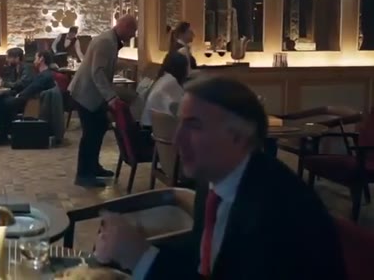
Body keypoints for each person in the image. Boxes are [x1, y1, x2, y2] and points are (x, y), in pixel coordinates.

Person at [94, 76, 346, 280]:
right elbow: (204, 258)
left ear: (238, 135)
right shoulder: (215, 181)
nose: (177, 139)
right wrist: (134, 246)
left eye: (194, 125)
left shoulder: (277, 211)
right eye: (180, 123)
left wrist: (141, 257)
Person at [69, 15, 137, 187]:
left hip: (90, 93)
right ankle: (83, 175)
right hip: (86, 93)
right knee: (90, 134)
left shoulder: (110, 40)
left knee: (99, 128)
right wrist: (111, 97)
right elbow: (97, 71)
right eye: (133, 31)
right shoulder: (106, 41)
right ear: (125, 27)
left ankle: (93, 167)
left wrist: (124, 65)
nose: (133, 35)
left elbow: (104, 64)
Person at [0, 51, 55, 143]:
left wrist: (19, 95)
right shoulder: (45, 73)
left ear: (41, 59)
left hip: (31, 102)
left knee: (0, 102)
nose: (34, 61)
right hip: (30, 98)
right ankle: (1, 132)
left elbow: (32, 88)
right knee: (0, 98)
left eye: (36, 58)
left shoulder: (44, 75)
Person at [140, 51, 189, 127]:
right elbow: (179, 110)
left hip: (147, 125)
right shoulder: (171, 82)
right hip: (153, 129)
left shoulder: (164, 78)